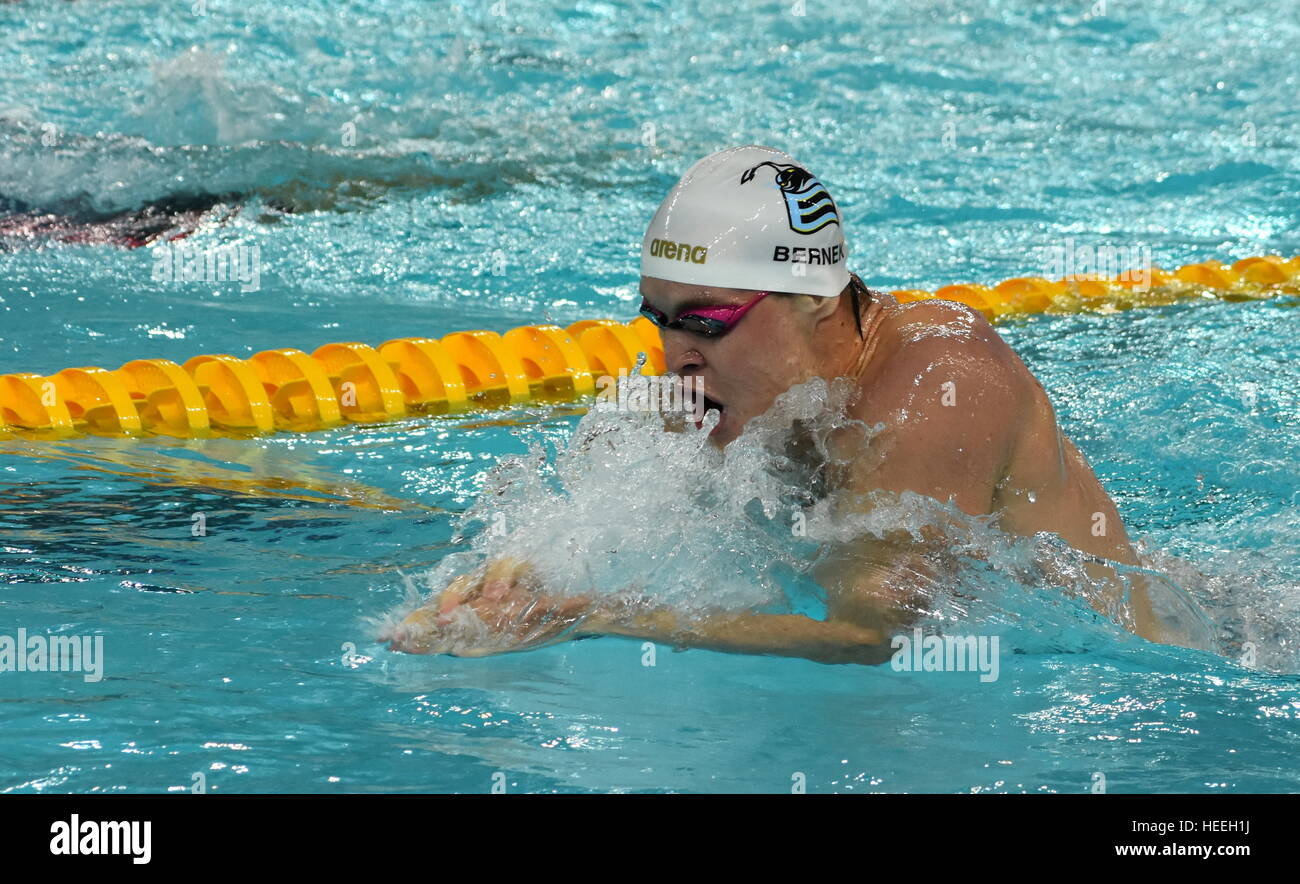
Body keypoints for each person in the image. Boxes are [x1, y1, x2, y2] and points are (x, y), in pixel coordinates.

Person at [387, 145, 1166, 664]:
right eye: (658, 320)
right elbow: (606, 501)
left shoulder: (937, 386)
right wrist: (520, 574)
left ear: (816, 305)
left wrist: (594, 616)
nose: (675, 357)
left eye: (706, 321)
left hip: (1163, 665)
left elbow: (876, 635)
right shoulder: (728, 386)